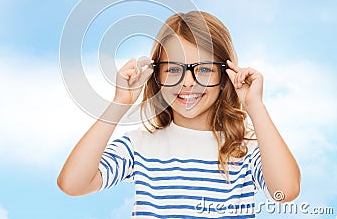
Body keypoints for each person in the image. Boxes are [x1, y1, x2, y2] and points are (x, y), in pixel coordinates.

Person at [57, 11, 301, 218]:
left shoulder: (245, 150)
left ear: (225, 75)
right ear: (157, 75)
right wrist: (120, 102)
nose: (187, 82)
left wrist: (254, 105)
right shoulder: (139, 146)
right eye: (174, 69)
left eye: (204, 69)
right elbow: (73, 184)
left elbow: (285, 191)